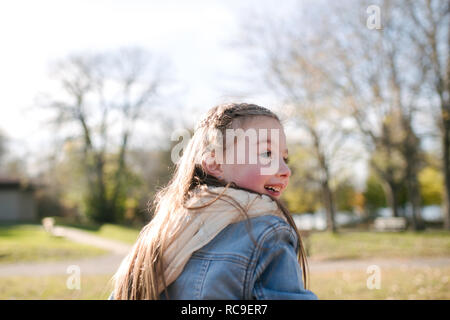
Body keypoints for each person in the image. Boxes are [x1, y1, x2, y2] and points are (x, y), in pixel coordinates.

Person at [110, 103, 318, 300]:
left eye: (285, 159)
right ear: (216, 163)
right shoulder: (266, 233)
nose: (286, 171)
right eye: (267, 154)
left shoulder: (162, 231)